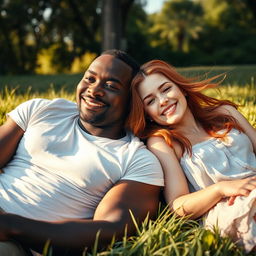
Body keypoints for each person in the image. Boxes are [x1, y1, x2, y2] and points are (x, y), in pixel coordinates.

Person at [0, 50, 164, 255]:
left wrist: (11, 226)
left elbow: (109, 230)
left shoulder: (136, 159)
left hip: (21, 243)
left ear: (132, 101)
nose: (94, 90)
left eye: (111, 86)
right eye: (90, 79)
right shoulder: (43, 110)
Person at [127, 59, 256, 252]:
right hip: (228, 207)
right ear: (147, 114)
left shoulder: (225, 113)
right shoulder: (164, 143)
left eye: (166, 89)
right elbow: (178, 206)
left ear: (181, 89)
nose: (163, 100)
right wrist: (221, 189)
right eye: (151, 101)